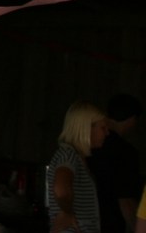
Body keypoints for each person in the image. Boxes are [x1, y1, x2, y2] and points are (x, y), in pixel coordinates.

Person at [49, 101, 109, 233]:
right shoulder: (68, 155)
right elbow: (61, 189)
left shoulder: (76, 157)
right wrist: (67, 212)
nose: (107, 133)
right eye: (103, 128)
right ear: (87, 128)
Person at [89, 94, 142, 233]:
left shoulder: (89, 147)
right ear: (132, 120)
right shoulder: (126, 153)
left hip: (86, 221)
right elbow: (126, 200)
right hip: (110, 223)